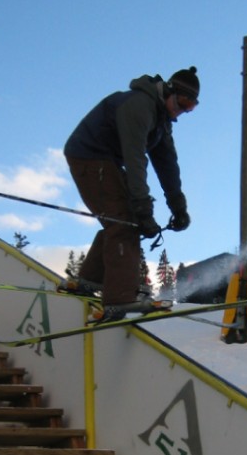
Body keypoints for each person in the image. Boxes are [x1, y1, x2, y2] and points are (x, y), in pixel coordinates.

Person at [61, 66, 199, 321]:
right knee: (124, 223)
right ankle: (119, 298)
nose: (183, 110)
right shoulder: (140, 106)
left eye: (190, 107)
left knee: (124, 219)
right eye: (182, 102)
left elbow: (168, 165)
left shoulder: (161, 121)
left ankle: (91, 280)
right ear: (169, 91)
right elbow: (136, 159)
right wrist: (143, 207)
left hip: (107, 161)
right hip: (89, 157)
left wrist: (178, 207)